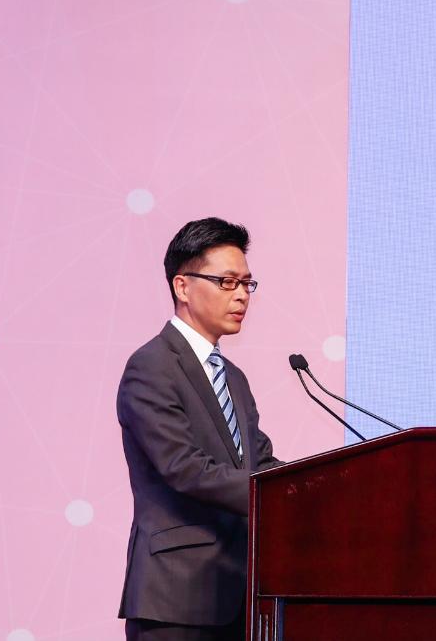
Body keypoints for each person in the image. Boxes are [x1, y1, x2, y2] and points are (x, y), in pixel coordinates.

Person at [117, 217, 281, 640]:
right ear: (183, 286)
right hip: (177, 599)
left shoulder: (234, 378)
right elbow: (185, 468)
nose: (241, 295)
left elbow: (261, 461)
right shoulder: (151, 367)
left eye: (247, 284)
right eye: (227, 282)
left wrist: (313, 489)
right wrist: (276, 494)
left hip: (242, 597)